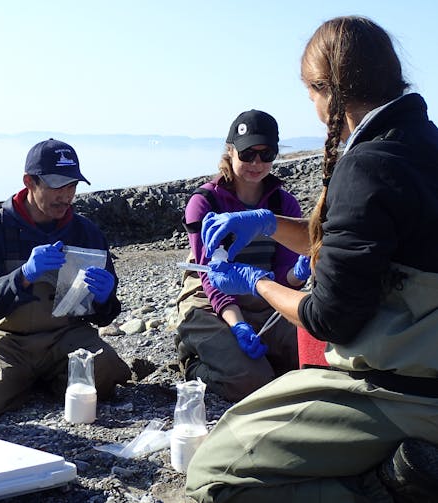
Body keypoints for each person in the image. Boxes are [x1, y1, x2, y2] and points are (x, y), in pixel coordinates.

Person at [185, 16, 438, 502]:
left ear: (329, 89)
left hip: (400, 385)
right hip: (426, 363)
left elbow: (329, 318)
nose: (315, 108)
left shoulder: (368, 165)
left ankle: (387, 486)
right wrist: (267, 223)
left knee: (213, 474)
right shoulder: (420, 144)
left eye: (312, 94)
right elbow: (349, 243)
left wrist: (257, 282)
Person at [0, 138, 131, 420]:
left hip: (63, 337)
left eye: (72, 186)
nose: (66, 196)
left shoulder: (86, 233)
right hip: (4, 340)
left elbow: (104, 317)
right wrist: (23, 276)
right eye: (57, 185)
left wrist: (105, 298)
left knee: (105, 376)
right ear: (29, 182)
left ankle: (30, 380)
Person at [173, 110, 308, 402]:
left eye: (266, 153)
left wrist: (298, 273)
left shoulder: (283, 204)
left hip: (264, 298)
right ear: (230, 151)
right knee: (252, 383)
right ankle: (194, 362)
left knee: (313, 359)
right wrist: (237, 324)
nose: (256, 163)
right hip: (211, 303)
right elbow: (211, 278)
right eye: (247, 154)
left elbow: (283, 275)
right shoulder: (204, 202)